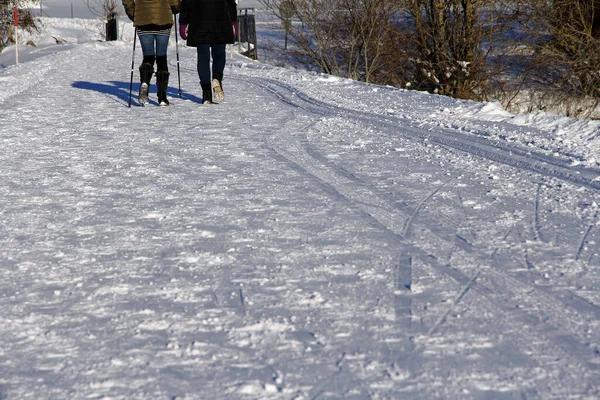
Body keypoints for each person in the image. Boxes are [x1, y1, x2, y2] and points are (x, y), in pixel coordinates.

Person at [122, 0, 180, 106]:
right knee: (161, 57)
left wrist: (134, 13)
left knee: (148, 56)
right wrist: (176, 7)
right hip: (163, 18)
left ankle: (145, 81)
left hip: (142, 19)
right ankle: (162, 97)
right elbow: (174, 2)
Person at [178, 0, 237, 104]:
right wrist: (233, 21)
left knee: (203, 57)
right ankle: (217, 77)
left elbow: (187, 3)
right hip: (221, 20)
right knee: (219, 54)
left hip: (199, 22)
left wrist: (183, 22)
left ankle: (206, 93)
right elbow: (230, 2)